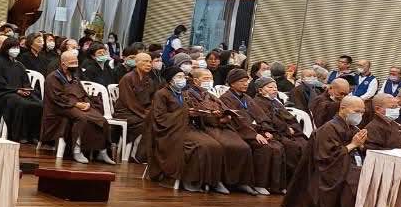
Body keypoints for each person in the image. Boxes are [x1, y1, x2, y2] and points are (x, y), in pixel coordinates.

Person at [282, 95, 368, 207]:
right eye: (356, 111)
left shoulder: (352, 128)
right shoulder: (329, 128)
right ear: (343, 108)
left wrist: (360, 146)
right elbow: (327, 157)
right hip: (328, 168)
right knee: (354, 182)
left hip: (346, 163)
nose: (360, 115)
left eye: (362, 112)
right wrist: (353, 145)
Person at [145, 64, 228, 192]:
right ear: (170, 80)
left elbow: (187, 112)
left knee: (215, 145)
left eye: (183, 77)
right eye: (178, 77)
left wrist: (196, 113)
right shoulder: (161, 94)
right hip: (169, 131)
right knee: (200, 146)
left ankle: (212, 181)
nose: (182, 79)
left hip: (187, 127)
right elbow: (159, 117)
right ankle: (191, 181)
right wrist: (185, 113)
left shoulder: (183, 94)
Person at [219, 68, 283, 196]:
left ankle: (274, 185)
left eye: (247, 81)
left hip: (256, 131)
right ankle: (258, 183)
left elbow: (261, 115)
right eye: (242, 81)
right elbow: (236, 121)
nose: (246, 84)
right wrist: (254, 134)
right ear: (232, 83)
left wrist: (266, 130)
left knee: (277, 146)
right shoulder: (226, 98)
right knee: (263, 147)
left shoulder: (247, 97)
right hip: (239, 132)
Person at [41, 50, 111, 163]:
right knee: (82, 118)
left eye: (76, 63)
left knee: (101, 119)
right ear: (63, 64)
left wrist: (87, 103)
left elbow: (83, 93)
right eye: (72, 63)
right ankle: (76, 150)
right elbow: (57, 97)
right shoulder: (53, 78)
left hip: (78, 105)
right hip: (60, 108)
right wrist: (76, 104)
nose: (75, 65)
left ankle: (101, 151)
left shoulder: (74, 77)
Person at [248, 76, 309, 181]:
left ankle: (304, 179)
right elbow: (265, 122)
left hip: (288, 132)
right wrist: (286, 129)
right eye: (270, 87)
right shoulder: (257, 103)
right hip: (276, 133)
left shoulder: (276, 102)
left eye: (275, 87)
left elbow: (290, 118)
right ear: (260, 90)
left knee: (306, 144)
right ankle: (291, 180)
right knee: (293, 147)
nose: (274, 89)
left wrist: (292, 127)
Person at [0, 38, 42, 142]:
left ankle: (33, 135)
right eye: (13, 47)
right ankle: (20, 135)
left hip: (19, 92)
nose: (16, 50)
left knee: (39, 104)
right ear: (6, 49)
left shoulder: (19, 65)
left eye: (17, 47)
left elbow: (26, 82)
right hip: (3, 94)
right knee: (21, 103)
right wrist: (16, 90)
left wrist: (26, 90)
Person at [112, 51, 160, 163]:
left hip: (141, 112)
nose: (148, 64)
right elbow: (128, 101)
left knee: (158, 121)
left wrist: (150, 111)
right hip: (125, 112)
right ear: (137, 63)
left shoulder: (149, 80)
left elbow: (152, 99)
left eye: (150, 62)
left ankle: (146, 154)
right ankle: (136, 155)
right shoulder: (127, 78)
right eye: (145, 61)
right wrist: (145, 114)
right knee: (148, 122)